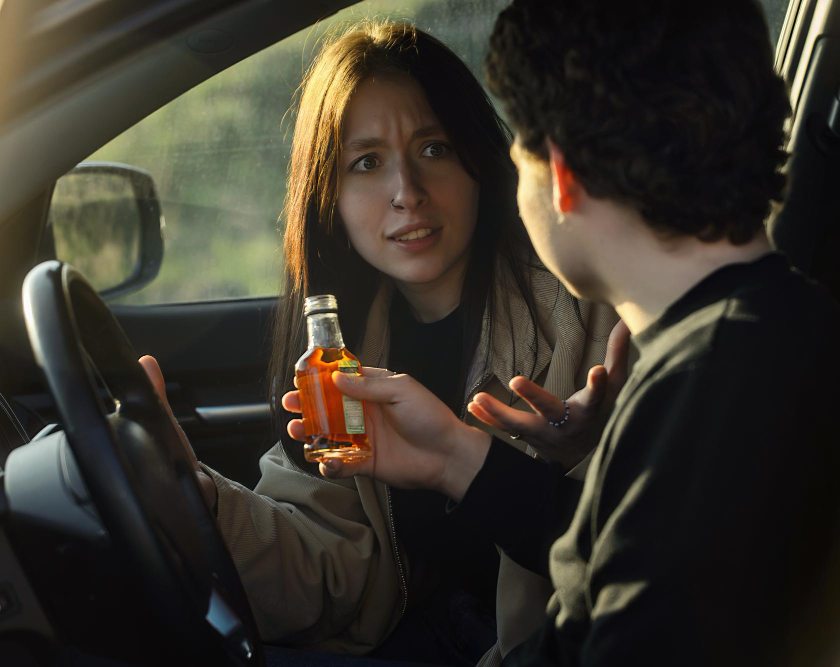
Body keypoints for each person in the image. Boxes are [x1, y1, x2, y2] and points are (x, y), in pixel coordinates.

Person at [292, 1, 840, 665]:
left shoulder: (713, 387)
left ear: (562, 175)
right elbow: (640, 562)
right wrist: (455, 457)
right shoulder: (760, 340)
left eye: (518, 145)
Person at [140, 19, 626, 667]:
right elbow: (334, 571)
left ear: (477, 161)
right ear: (329, 197)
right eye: (366, 162)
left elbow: (660, 556)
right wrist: (198, 498)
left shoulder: (584, 309)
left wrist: (577, 451)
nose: (407, 193)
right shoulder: (339, 349)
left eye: (434, 148)